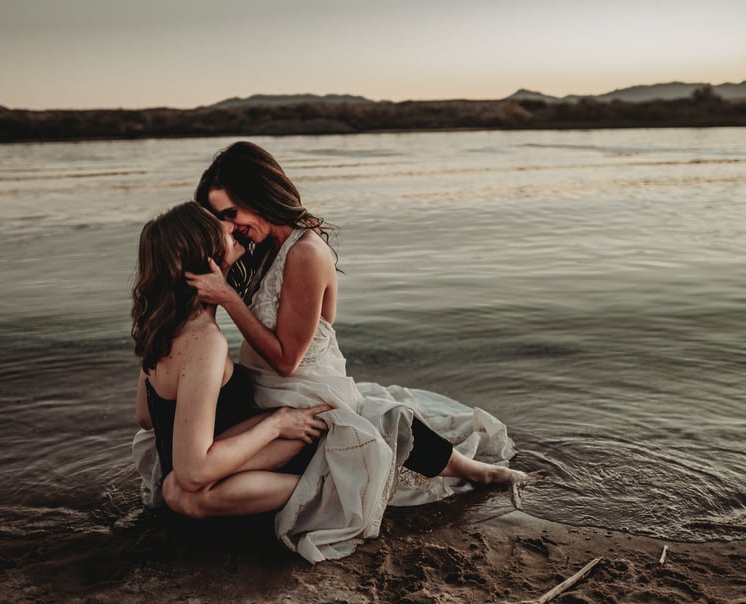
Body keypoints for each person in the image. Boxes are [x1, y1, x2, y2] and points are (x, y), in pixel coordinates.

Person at [177, 141, 533, 562]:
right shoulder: (262, 251)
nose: (229, 227)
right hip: (265, 394)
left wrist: (228, 299)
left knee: (373, 424)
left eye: (231, 213)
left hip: (304, 394)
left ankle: (475, 471)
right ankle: (459, 469)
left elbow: (288, 360)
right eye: (220, 218)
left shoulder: (305, 253)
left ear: (259, 195)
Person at [130, 201, 331, 519]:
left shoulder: (162, 328)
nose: (229, 226)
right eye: (217, 225)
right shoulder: (204, 342)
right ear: (205, 254)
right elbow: (194, 472)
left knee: (178, 488)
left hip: (223, 472)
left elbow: (146, 416)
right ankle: (333, 493)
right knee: (182, 489)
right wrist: (275, 425)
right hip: (212, 485)